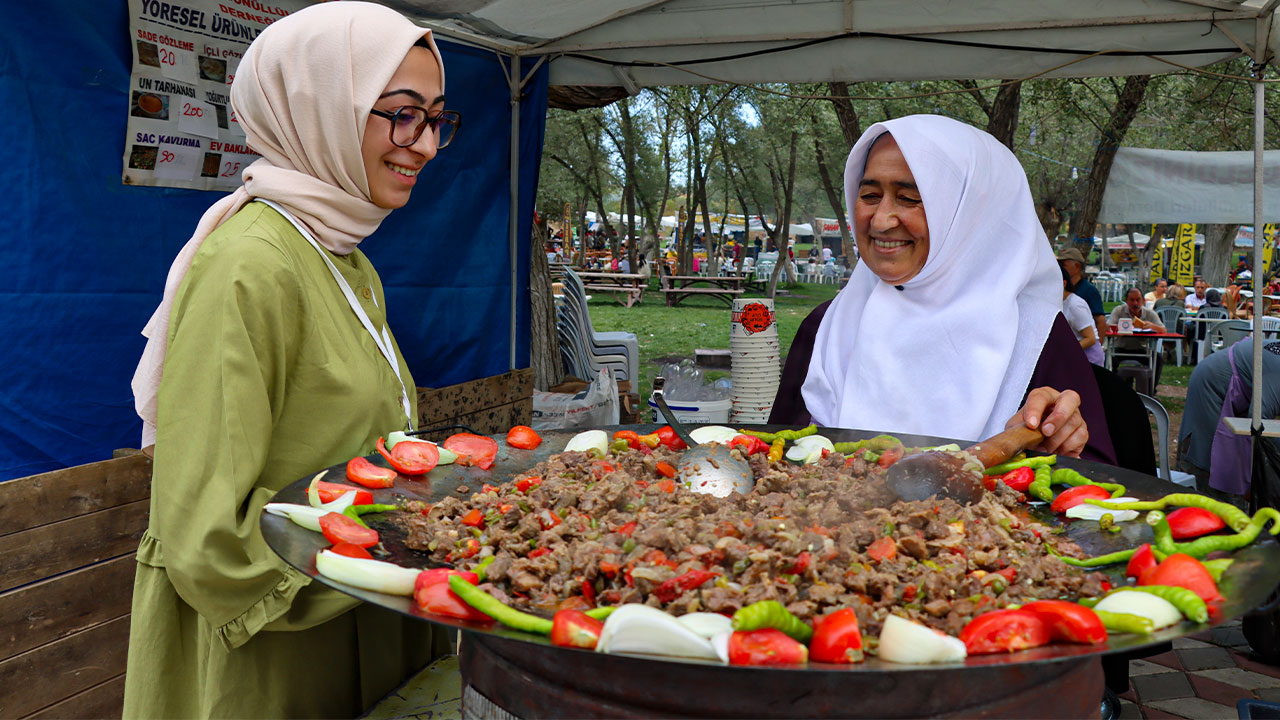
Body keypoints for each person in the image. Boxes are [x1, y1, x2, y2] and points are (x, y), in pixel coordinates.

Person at [124, 4, 455, 716]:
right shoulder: (250, 267)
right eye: (401, 114)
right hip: (277, 656)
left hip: (364, 615)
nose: (424, 144)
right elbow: (206, 537)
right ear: (316, 109)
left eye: (435, 118)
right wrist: (389, 558)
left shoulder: (344, 257)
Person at [770, 115, 1114, 464]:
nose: (881, 220)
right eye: (870, 195)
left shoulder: (1037, 337)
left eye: (909, 198)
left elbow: (1098, 485)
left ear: (971, 216)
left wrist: (1060, 434)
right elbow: (772, 456)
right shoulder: (825, 326)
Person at [1178, 337, 1280, 508]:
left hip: (1240, 391)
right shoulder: (1277, 373)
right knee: (1213, 459)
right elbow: (1259, 424)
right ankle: (1214, 511)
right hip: (1211, 383)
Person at [1058, 246, 1107, 347]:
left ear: (1077, 267)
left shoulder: (1089, 291)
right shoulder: (1062, 291)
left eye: (1063, 265)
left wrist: (1099, 347)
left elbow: (1100, 320)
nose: (1059, 268)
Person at [1063, 266, 1104, 366]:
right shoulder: (1059, 303)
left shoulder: (1075, 305)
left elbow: (1090, 338)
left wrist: (1066, 352)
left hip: (1089, 359)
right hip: (1074, 357)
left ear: (1064, 283)